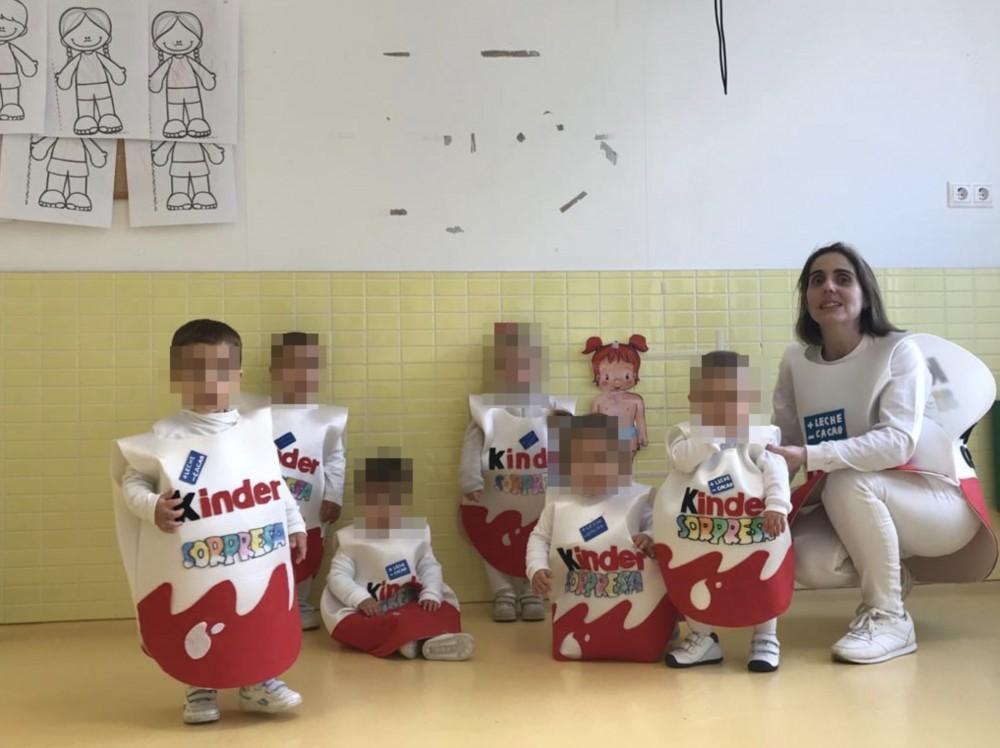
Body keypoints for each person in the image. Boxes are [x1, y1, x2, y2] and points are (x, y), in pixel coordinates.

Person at [769, 242, 997, 664]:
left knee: (846, 482)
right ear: (805, 298)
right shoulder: (794, 362)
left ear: (866, 293)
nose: (828, 287)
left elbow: (897, 443)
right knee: (802, 553)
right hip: (856, 499)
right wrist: (758, 493)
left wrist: (812, 455)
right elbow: (783, 443)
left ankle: (889, 617)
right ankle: (894, 579)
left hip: (937, 501)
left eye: (843, 278)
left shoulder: (899, 351)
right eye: (817, 280)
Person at [111, 319, 306, 724]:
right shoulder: (166, 436)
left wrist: (296, 524)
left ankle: (260, 682)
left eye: (220, 369)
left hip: (257, 555)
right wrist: (152, 506)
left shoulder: (254, 431)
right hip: (196, 565)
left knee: (260, 613)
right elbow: (132, 481)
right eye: (195, 370)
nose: (208, 380)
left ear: (238, 376)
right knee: (200, 614)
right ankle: (199, 686)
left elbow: (275, 483)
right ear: (176, 376)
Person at [656, 351, 792, 672]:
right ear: (694, 399)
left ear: (749, 399)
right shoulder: (685, 435)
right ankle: (702, 636)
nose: (724, 405)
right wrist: (711, 434)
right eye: (713, 397)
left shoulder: (761, 435)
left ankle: (766, 636)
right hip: (695, 531)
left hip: (755, 527)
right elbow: (683, 461)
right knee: (692, 576)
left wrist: (776, 504)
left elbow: (776, 471)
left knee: (762, 576)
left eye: (734, 397)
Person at [526, 413, 675, 661]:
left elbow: (659, 526)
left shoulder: (636, 498)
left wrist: (649, 537)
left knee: (642, 633)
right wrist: (536, 568)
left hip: (634, 600)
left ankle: (659, 626)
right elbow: (539, 538)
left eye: (601, 460)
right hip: (578, 604)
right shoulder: (558, 503)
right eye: (580, 461)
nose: (591, 469)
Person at [459, 321, 575, 622]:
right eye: (509, 364)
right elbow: (472, 446)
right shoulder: (485, 410)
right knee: (490, 543)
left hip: (540, 498)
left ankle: (531, 591)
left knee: (537, 541)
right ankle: (503, 592)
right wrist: (470, 479)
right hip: (492, 498)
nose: (518, 371)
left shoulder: (554, 407)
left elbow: (570, 450)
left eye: (526, 363)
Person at [321, 453, 475, 661]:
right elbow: (337, 577)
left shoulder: (415, 533)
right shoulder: (351, 539)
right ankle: (417, 640)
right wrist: (359, 598)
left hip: (411, 604)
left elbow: (429, 567)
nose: (383, 508)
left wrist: (431, 594)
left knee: (446, 610)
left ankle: (424, 641)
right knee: (361, 625)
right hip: (371, 611)